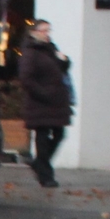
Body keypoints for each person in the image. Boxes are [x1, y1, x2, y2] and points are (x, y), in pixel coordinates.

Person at [17, 18, 73, 188]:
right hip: (40, 103)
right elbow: (26, 78)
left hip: (56, 102)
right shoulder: (30, 52)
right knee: (42, 138)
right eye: (44, 30)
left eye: (49, 30)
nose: (47, 34)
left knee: (59, 134)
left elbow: (60, 70)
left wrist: (65, 61)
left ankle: (39, 164)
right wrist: (43, 93)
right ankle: (46, 176)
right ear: (34, 32)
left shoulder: (51, 49)